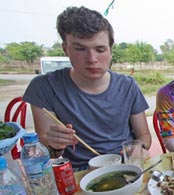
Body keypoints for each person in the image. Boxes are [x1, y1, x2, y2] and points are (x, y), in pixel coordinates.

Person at [23, 6, 151, 170]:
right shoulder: (44, 87)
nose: (92, 59)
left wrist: (139, 149)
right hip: (79, 173)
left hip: (125, 166)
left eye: (100, 50)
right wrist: (55, 146)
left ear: (111, 50)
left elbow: (143, 135)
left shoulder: (128, 86)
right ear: (65, 48)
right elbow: (49, 154)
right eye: (80, 49)